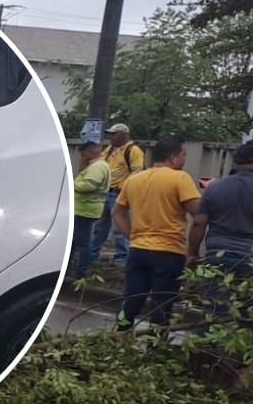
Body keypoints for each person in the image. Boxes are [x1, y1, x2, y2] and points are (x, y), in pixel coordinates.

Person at [111, 137, 199, 331]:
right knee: (162, 304)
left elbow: (117, 213)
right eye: (183, 155)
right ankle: (155, 347)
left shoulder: (134, 179)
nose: (184, 159)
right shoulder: (180, 178)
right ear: (174, 157)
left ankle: (118, 339)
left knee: (132, 300)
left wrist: (132, 236)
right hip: (169, 251)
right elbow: (198, 214)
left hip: (138, 250)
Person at [187, 138, 253, 328]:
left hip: (218, 258)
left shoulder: (215, 187)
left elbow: (199, 224)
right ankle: (241, 355)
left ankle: (208, 354)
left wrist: (192, 253)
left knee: (214, 313)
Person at [89, 123, 145, 267]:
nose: (110, 137)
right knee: (100, 225)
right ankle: (93, 254)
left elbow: (137, 172)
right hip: (106, 192)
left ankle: (122, 257)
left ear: (123, 135)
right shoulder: (110, 150)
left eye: (113, 134)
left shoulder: (133, 151)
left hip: (119, 193)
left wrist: (124, 187)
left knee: (119, 226)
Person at [69, 140, 110, 281]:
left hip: (85, 209)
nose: (82, 156)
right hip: (84, 209)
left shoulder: (97, 167)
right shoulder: (96, 165)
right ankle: (71, 269)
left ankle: (82, 272)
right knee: (75, 241)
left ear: (91, 152)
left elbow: (89, 186)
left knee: (83, 242)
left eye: (84, 153)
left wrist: (73, 183)